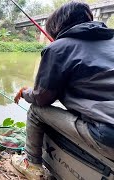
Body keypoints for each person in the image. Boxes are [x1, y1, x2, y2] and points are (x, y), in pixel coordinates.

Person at [11, 1, 114, 179]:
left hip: (108, 134)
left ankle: (32, 165)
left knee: (36, 110)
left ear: (57, 28)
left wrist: (25, 92)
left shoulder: (58, 48)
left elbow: (42, 98)